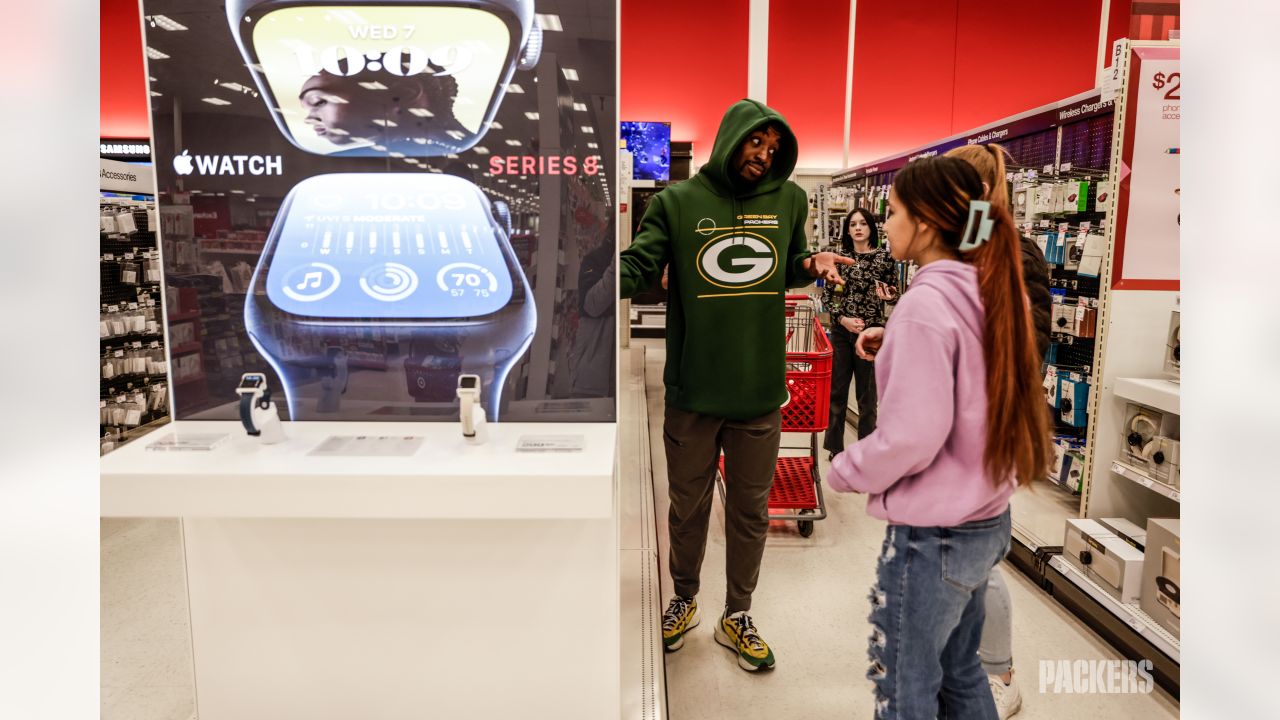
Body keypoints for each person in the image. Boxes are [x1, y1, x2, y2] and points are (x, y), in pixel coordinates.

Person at [618, 99, 851, 673]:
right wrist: (583, 272)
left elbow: (788, 263)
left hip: (760, 395)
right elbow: (641, 266)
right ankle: (684, 599)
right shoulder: (677, 202)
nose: (765, 156)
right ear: (733, 138)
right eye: (757, 143)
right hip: (693, 392)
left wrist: (812, 262)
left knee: (750, 511)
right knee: (685, 507)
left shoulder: (790, 199)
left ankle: (737, 614)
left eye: (774, 149)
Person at [827, 156, 1050, 719]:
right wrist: (899, 334)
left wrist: (844, 469)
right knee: (962, 673)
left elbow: (910, 438)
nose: (887, 222)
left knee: (907, 686)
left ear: (924, 223)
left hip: (935, 536)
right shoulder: (995, 290)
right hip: (988, 518)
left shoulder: (926, 305)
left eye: (894, 211)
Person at [946, 143, 1052, 719]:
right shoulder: (959, 249)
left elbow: (1027, 341)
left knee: (979, 559)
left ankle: (998, 673)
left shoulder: (1009, 251)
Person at [821, 208, 897, 456]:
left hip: (872, 332)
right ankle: (835, 449)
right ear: (847, 229)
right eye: (852, 224)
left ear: (871, 228)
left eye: (863, 223)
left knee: (867, 399)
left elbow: (892, 293)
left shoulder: (885, 259)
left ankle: (867, 453)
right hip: (842, 333)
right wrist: (842, 320)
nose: (857, 228)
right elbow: (828, 297)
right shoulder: (839, 258)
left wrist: (891, 295)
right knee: (837, 393)